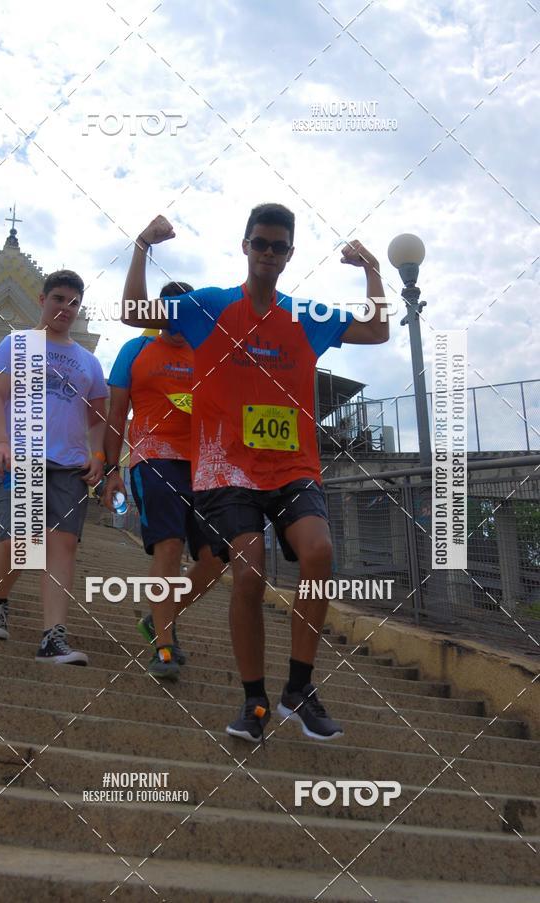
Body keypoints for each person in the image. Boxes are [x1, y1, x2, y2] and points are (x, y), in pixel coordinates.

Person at [121, 203, 389, 742]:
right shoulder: (210, 306)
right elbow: (132, 310)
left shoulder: (303, 317)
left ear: (290, 255)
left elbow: (378, 330)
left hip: (292, 465)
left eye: (279, 246)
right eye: (260, 243)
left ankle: (299, 689)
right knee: (247, 571)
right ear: (245, 246)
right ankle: (254, 701)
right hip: (227, 469)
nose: (269, 253)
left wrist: (373, 271)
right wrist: (142, 246)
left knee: (319, 553)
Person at [104, 220, 223, 681]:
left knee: (216, 559)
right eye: (169, 310)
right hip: (153, 458)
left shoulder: (209, 352)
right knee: (169, 545)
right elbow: (116, 415)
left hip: (207, 466)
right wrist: (110, 468)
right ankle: (166, 647)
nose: (177, 319)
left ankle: (157, 619)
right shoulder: (136, 349)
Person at [0, 270, 108, 664]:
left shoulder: (88, 361)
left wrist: (99, 455)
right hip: (20, 454)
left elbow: (98, 417)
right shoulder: (15, 343)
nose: (65, 308)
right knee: (22, 543)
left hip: (69, 465)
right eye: (58, 299)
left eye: (73, 302)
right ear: (42, 300)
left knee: (62, 545)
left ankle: (52, 637)